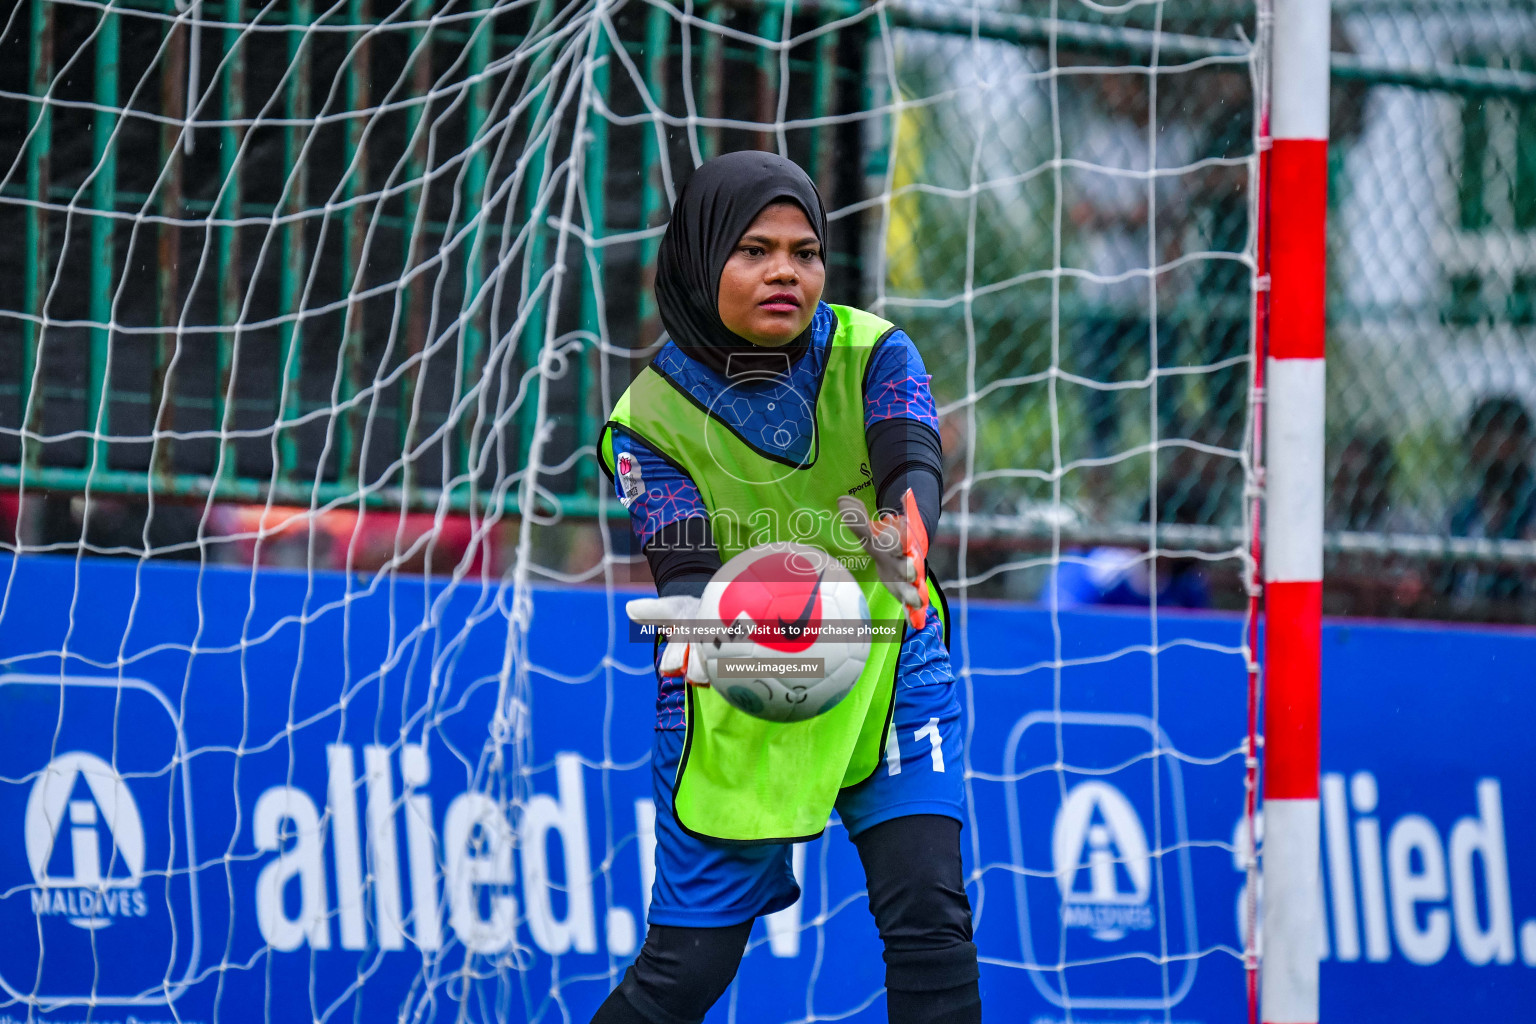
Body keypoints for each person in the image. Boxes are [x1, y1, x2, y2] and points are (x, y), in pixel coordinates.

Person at [594, 151, 979, 1024]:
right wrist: (699, 625)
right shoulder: (644, 421)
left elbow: (910, 455)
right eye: (754, 249)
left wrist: (905, 534)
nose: (785, 272)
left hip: (888, 665)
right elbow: (683, 561)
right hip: (735, 683)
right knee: (687, 971)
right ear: (700, 259)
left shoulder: (873, 350)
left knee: (931, 917)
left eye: (805, 252)